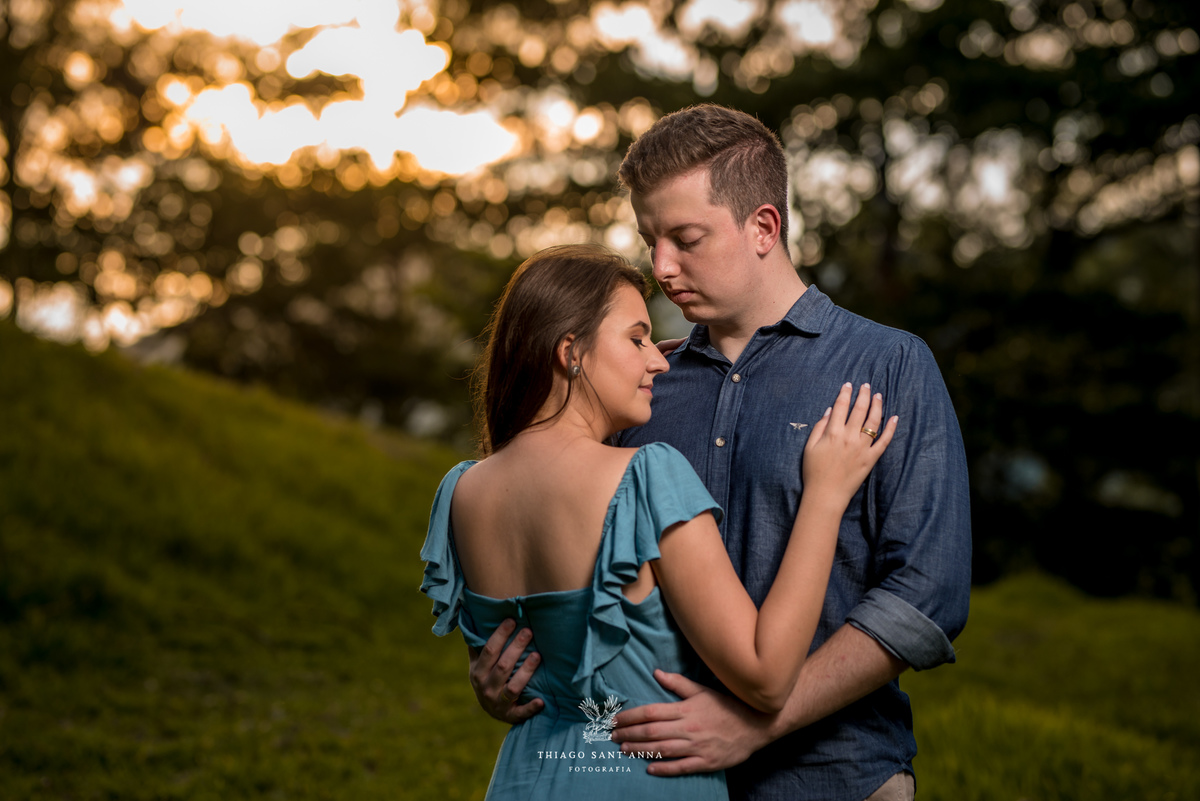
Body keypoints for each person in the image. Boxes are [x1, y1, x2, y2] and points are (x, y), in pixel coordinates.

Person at [467, 106, 972, 801]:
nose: (661, 267)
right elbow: (581, 576)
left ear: (763, 227)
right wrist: (516, 678)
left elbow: (926, 594)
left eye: (686, 239)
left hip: (837, 777)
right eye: (650, 241)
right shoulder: (638, 389)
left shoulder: (886, 367)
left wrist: (758, 723)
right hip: (652, 779)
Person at [421, 244, 897, 799]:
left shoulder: (461, 491)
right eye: (637, 339)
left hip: (523, 779)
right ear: (570, 352)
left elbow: (504, 676)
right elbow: (766, 679)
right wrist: (825, 496)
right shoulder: (645, 478)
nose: (661, 361)